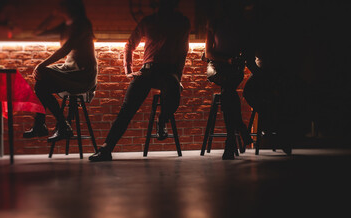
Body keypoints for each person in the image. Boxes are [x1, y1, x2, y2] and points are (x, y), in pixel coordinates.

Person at [89, 0, 190, 162]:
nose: (162, 7)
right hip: (148, 70)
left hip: (169, 71)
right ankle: (106, 148)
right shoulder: (149, 21)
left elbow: (183, 51)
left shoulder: (182, 22)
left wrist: (179, 77)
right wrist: (128, 70)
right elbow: (130, 44)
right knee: (126, 109)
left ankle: (162, 120)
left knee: (173, 90)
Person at [23, 0, 97, 142]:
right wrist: (52, 15)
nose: (59, 7)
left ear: (70, 7)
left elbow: (66, 49)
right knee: (41, 86)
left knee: (42, 74)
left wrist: (41, 65)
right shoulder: (66, 26)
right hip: (69, 70)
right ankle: (56, 125)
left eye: (62, 5)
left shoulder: (83, 24)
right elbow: (37, 32)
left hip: (82, 74)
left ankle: (49, 125)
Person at [205, 0, 258, 160]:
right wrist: (227, 60)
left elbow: (247, 52)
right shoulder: (214, 23)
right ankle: (240, 130)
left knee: (227, 90)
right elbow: (208, 53)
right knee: (229, 90)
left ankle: (231, 141)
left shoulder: (242, 25)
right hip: (216, 66)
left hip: (234, 67)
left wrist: (239, 62)